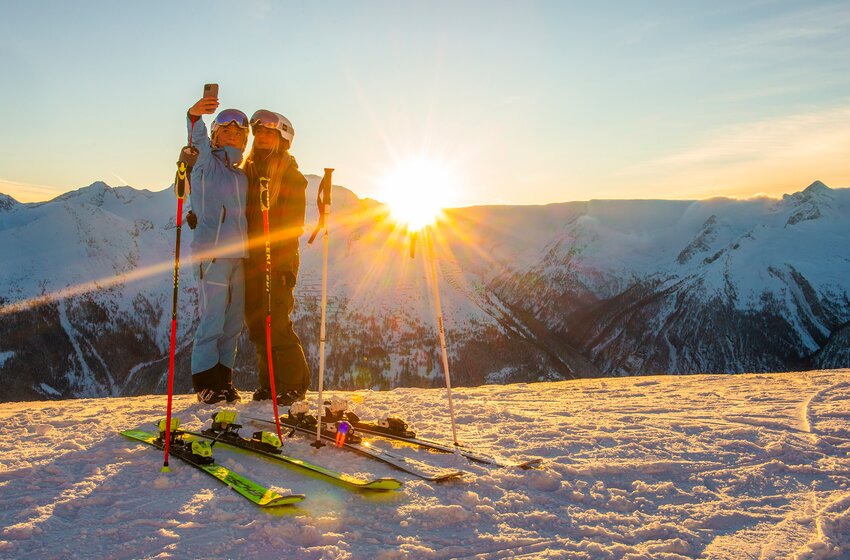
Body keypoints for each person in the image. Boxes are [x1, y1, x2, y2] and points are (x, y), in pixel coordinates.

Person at [242, 109, 310, 405]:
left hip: (277, 259)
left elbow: (293, 224)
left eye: (270, 133)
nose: (262, 138)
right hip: (250, 260)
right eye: (258, 133)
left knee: (277, 322)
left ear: (283, 139)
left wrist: (282, 264)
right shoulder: (248, 171)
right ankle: (269, 383)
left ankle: (293, 385)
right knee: (258, 325)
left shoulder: (291, 177)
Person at [185, 96, 249, 404]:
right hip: (212, 253)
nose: (233, 134)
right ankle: (205, 383)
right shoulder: (206, 164)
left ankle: (224, 379)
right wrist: (194, 115)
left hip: (239, 256)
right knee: (212, 318)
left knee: (233, 321)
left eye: (239, 132)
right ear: (215, 135)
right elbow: (195, 136)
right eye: (226, 130)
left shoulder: (241, 176)